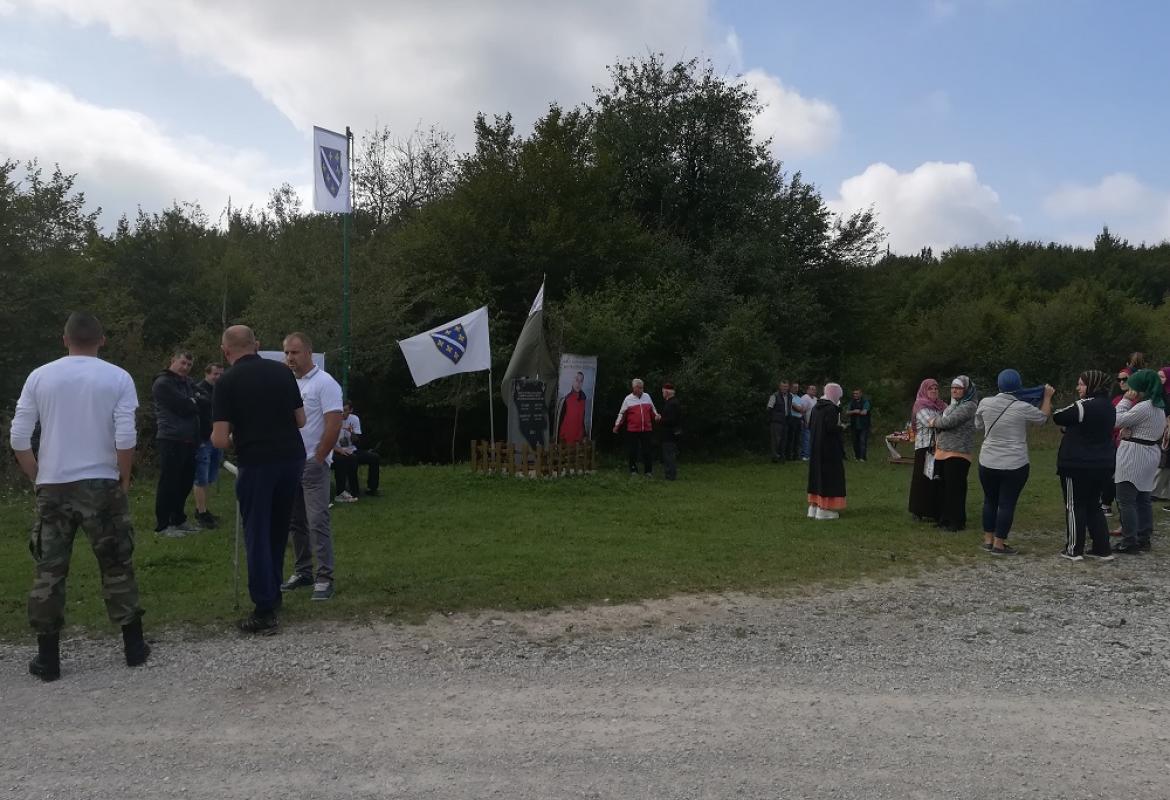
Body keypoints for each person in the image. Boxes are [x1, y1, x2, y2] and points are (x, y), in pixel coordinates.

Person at [9, 312, 150, 681]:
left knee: (49, 569)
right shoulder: (118, 377)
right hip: (102, 481)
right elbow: (125, 436)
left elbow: (19, 437)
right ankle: (134, 646)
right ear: (102, 340)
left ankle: (48, 658)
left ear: (64, 339)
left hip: (54, 483)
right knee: (116, 563)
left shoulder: (40, 376)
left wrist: (38, 476)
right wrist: (124, 477)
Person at [211, 325, 306, 635]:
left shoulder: (226, 382)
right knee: (278, 529)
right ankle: (274, 594)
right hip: (291, 458)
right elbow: (301, 419)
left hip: (257, 462)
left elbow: (220, 439)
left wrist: (232, 437)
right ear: (257, 345)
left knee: (257, 533)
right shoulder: (283, 372)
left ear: (226, 351)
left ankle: (264, 609)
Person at [280, 333, 343, 601]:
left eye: (294, 352)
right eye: (286, 352)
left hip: (312, 462)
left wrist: (319, 457)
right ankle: (303, 570)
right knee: (296, 522)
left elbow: (334, 423)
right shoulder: (288, 382)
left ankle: (324, 577)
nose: (290, 358)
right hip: (290, 462)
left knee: (317, 520)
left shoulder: (325, 383)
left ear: (308, 352)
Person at [974, 369, 1054, 555]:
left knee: (989, 500)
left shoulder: (985, 402)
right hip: (1014, 463)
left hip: (988, 460)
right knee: (1006, 504)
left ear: (999, 384)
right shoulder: (1022, 407)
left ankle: (988, 540)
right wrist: (1047, 397)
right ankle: (999, 544)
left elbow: (978, 425)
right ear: (1019, 385)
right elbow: (1042, 418)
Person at [1052, 370, 1116, 561]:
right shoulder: (1109, 406)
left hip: (1077, 464)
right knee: (1094, 505)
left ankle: (1074, 549)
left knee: (1074, 505)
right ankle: (1102, 548)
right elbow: (1091, 428)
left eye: (1081, 384)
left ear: (1092, 385)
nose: (1078, 388)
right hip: (1102, 463)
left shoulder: (1083, 405)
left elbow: (1058, 416)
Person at [1112, 368, 1166, 554]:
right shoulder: (1158, 406)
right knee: (1143, 498)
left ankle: (1129, 540)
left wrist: (1125, 401)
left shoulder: (1144, 406)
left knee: (1126, 499)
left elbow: (1116, 420)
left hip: (1135, 455)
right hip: (1149, 452)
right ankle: (1143, 537)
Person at [152, 349, 200, 536]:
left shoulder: (188, 382)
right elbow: (184, 406)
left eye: (189, 365)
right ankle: (163, 525)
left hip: (190, 438)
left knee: (185, 481)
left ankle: (178, 518)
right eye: (183, 363)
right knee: (169, 482)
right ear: (173, 360)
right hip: (171, 438)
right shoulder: (163, 383)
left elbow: (204, 400)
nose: (185, 367)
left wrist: (194, 401)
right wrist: (193, 402)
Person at [927, 376, 978, 532]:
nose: (954, 391)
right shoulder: (953, 406)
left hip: (958, 452)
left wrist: (933, 422)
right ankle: (944, 519)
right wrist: (938, 422)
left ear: (966, 390)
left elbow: (948, 422)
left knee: (955, 489)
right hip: (943, 451)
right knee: (943, 488)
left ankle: (957, 522)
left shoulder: (969, 406)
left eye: (959, 388)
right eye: (953, 388)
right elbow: (944, 421)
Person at [908, 378, 946, 522]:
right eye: (931, 389)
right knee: (922, 479)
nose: (934, 391)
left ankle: (934, 511)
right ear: (924, 390)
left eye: (936, 388)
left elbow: (949, 417)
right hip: (924, 447)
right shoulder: (920, 405)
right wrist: (944, 421)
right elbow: (930, 422)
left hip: (939, 447)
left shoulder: (941, 405)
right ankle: (918, 511)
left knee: (936, 479)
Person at [807, 384, 846, 519]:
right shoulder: (831, 409)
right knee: (829, 477)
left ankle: (813, 506)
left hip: (815, 448)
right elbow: (831, 428)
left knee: (816, 476)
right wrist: (841, 428)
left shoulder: (816, 408)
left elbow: (810, 425)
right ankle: (823, 509)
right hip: (828, 450)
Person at [192, 363, 224, 529]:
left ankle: (203, 509)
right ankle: (201, 513)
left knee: (210, 477)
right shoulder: (198, 390)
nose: (218, 377)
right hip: (203, 439)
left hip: (216, 438)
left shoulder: (221, 391)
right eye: (215, 374)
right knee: (201, 477)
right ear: (207, 374)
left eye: (221, 374)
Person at [332, 401, 381, 499]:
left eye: (345, 410)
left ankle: (372, 488)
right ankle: (353, 490)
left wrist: (352, 432)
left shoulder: (354, 419)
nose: (343, 413)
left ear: (351, 410)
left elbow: (357, 441)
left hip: (352, 449)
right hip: (337, 450)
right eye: (341, 410)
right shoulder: (334, 419)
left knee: (374, 457)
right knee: (351, 459)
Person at [613, 378, 660, 477]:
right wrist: (617, 425)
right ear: (634, 388)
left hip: (646, 429)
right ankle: (633, 470)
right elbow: (622, 414)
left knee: (647, 450)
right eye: (639, 388)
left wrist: (656, 416)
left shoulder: (647, 396)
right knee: (633, 450)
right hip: (633, 430)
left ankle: (648, 471)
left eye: (642, 387)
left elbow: (652, 409)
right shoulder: (628, 399)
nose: (641, 390)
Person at [557, 372, 589, 444]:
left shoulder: (583, 400)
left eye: (581, 381)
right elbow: (561, 421)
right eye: (577, 380)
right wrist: (561, 438)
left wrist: (584, 435)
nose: (578, 383)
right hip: (566, 441)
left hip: (578, 441)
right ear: (573, 381)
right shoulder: (566, 400)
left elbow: (581, 420)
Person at [766, 380, 793, 462]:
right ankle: (775, 458)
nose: (785, 388)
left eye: (786, 386)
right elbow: (769, 408)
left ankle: (782, 457)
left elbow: (789, 408)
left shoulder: (790, 396)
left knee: (784, 440)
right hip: (776, 422)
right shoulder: (774, 396)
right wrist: (774, 417)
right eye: (783, 386)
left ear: (788, 387)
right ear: (780, 387)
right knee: (776, 440)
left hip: (785, 421)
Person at [659, 383, 682, 480]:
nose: (662, 394)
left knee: (669, 454)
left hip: (670, 434)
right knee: (668, 454)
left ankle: (670, 475)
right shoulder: (670, 402)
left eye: (663, 392)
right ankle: (669, 474)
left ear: (667, 392)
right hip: (669, 433)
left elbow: (672, 420)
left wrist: (660, 419)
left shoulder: (672, 404)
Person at [846, 388, 872, 461]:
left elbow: (865, 412)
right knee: (855, 442)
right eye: (854, 393)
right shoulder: (851, 402)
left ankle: (862, 457)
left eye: (857, 393)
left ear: (861, 394)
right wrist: (854, 411)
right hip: (854, 425)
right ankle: (857, 456)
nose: (855, 395)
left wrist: (857, 411)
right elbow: (847, 412)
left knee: (862, 441)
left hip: (864, 425)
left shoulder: (866, 402)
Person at [786, 379, 806, 461]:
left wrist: (799, 408)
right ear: (790, 388)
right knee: (791, 438)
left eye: (797, 387)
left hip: (799, 419)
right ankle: (789, 455)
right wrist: (799, 408)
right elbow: (795, 408)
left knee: (798, 438)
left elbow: (803, 409)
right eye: (794, 387)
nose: (796, 389)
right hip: (792, 418)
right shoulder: (789, 396)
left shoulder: (799, 398)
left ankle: (796, 455)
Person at [799, 384, 818, 460]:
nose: (814, 391)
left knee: (812, 439)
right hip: (807, 422)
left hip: (814, 422)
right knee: (806, 439)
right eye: (812, 389)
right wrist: (805, 421)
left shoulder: (815, 399)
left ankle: (810, 454)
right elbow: (802, 411)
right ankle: (805, 455)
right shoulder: (805, 398)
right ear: (807, 390)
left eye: (815, 389)